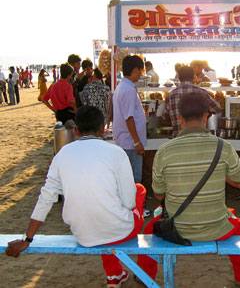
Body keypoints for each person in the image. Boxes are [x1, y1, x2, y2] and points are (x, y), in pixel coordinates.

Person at [5, 106, 147, 288]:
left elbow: (46, 198)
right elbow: (128, 202)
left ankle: (115, 275)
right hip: (121, 231)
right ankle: (128, 273)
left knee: (100, 210)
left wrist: (27, 239)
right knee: (138, 190)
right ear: (103, 128)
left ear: (76, 130)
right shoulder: (116, 153)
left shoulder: (61, 155)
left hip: (83, 234)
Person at [137, 92, 240, 286]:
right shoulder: (223, 147)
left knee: (148, 230)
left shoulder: (164, 151)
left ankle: (145, 279)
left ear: (180, 118)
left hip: (177, 229)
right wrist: (219, 173)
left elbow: (158, 194)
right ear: (207, 116)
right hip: (216, 227)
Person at [113, 55, 146, 185]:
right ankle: (134, 204)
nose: (140, 74)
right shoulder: (128, 90)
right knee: (134, 179)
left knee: (130, 178)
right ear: (135, 70)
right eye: (140, 71)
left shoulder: (124, 86)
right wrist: (137, 142)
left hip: (127, 140)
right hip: (130, 143)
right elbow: (129, 118)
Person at [165, 65, 220, 137]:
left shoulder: (170, 95)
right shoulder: (202, 92)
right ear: (193, 76)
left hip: (178, 139)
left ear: (178, 77)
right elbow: (217, 108)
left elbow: (165, 116)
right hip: (200, 138)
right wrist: (208, 112)